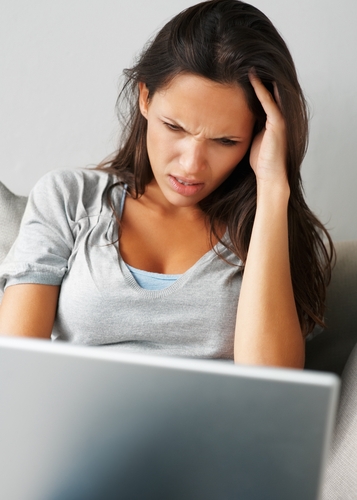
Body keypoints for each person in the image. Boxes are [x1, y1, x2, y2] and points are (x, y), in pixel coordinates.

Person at [0, 0, 333, 367]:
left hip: (209, 426)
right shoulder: (69, 198)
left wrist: (272, 189)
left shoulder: (272, 232)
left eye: (226, 141)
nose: (191, 166)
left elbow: (274, 391)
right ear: (145, 97)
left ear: (258, 134)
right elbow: (15, 370)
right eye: (174, 127)